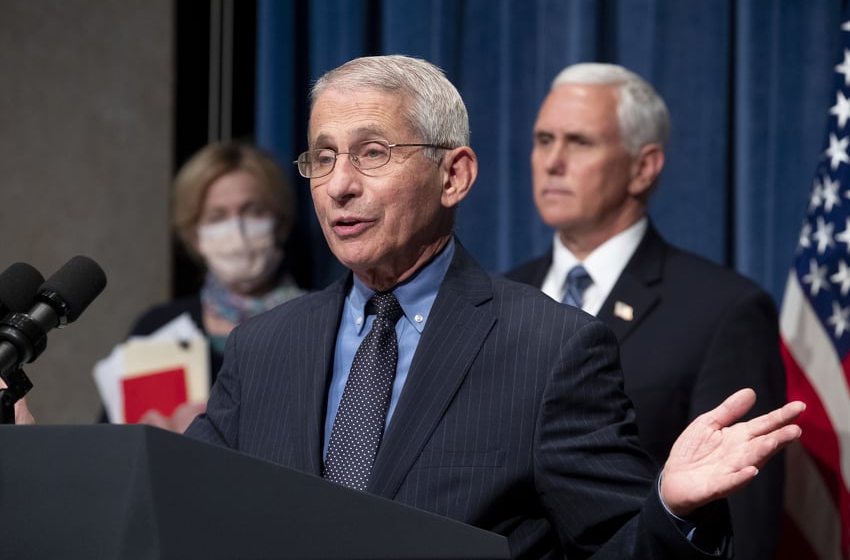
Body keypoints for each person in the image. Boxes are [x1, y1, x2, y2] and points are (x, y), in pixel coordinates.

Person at [175, 55, 803, 559]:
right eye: (324, 156)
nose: (340, 183)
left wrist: (670, 507)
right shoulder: (262, 347)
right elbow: (188, 515)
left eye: (372, 153)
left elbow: (613, 542)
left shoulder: (549, 348)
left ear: (454, 176)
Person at [505, 62, 786, 560]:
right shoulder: (501, 293)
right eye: (543, 139)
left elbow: (742, 526)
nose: (552, 161)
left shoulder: (724, 310)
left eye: (580, 142)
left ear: (644, 166)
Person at [104, 142, 306, 431]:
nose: (237, 229)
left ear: (280, 223)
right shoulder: (157, 330)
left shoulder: (318, 322)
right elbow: (113, 448)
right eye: (217, 216)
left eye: (253, 211)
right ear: (194, 235)